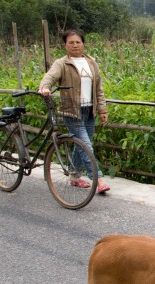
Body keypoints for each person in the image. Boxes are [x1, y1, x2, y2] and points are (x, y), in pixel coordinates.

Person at [39, 29, 111, 194]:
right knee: (86, 146)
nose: (75, 45)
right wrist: (44, 87)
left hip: (89, 110)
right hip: (72, 111)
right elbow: (50, 77)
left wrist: (102, 109)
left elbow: (98, 88)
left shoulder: (91, 62)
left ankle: (75, 176)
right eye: (71, 42)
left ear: (83, 44)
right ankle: (98, 180)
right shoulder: (62, 63)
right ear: (65, 45)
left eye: (78, 42)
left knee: (81, 145)